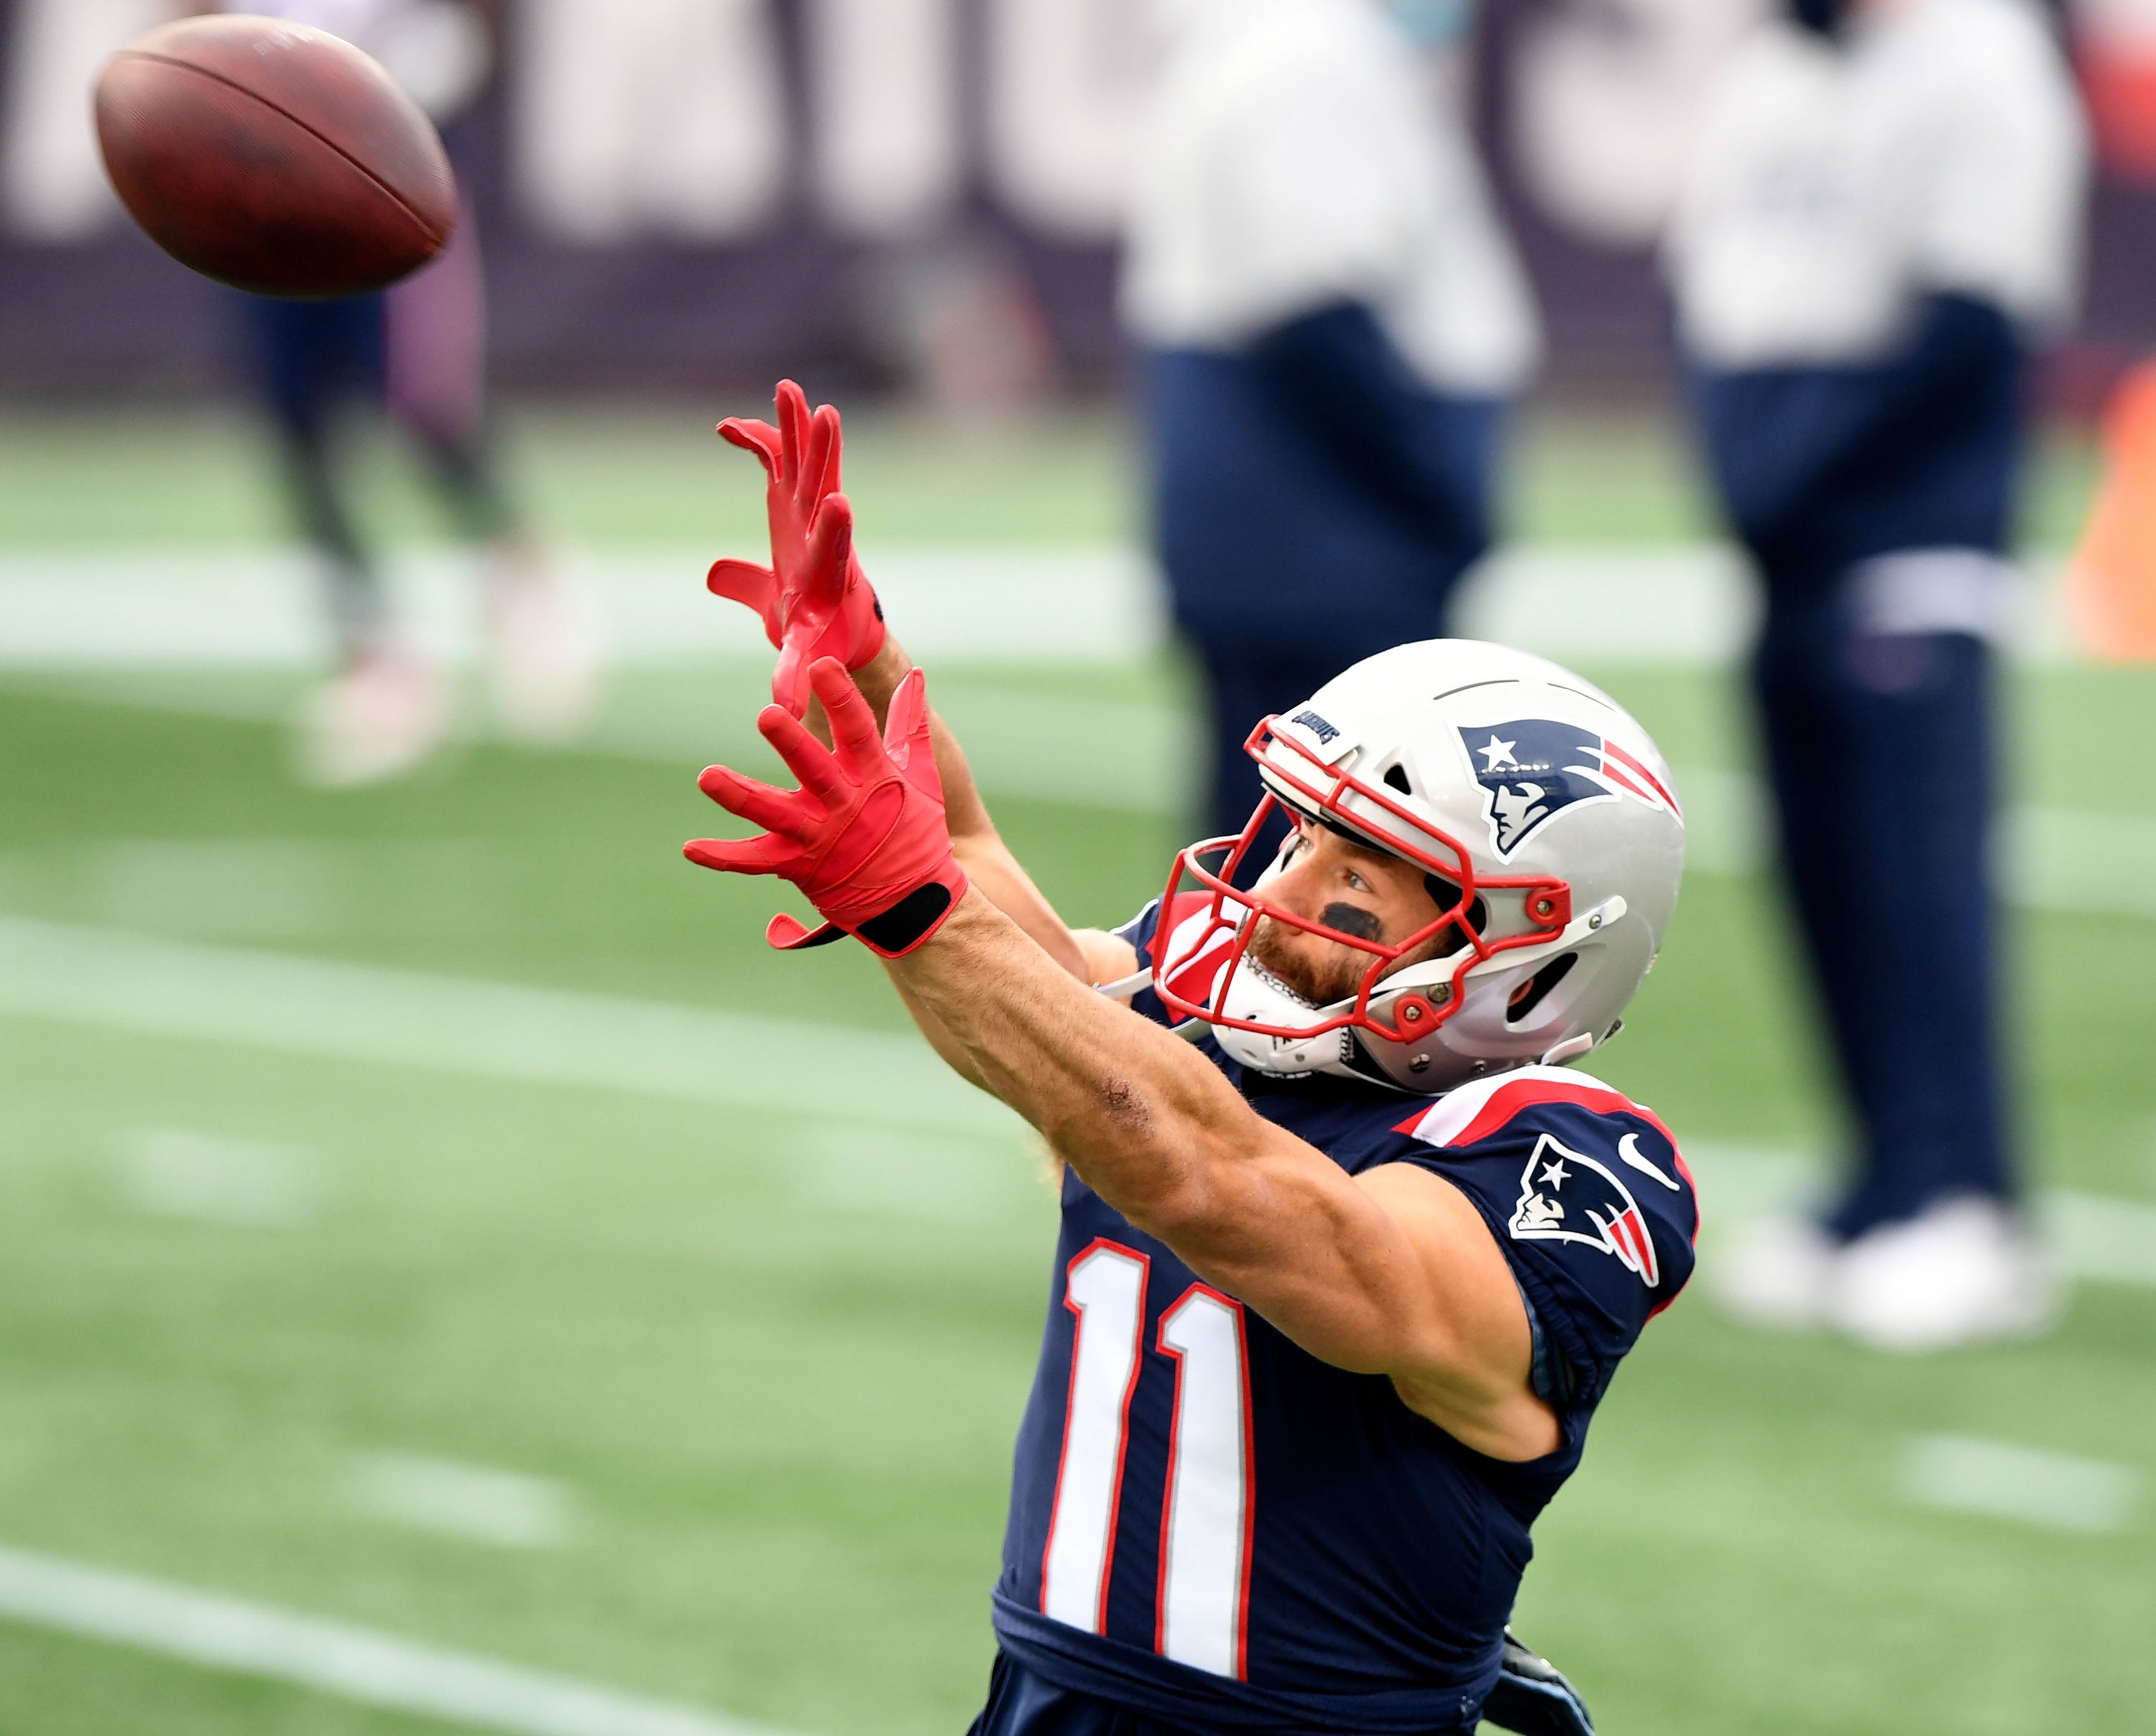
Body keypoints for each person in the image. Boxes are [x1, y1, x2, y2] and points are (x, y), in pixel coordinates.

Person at [691, 384, 1691, 1736]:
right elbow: (1019, 962)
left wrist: (914, 907)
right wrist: (860, 672)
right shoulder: (1219, 1021)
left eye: (1367, 876)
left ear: (1535, 946)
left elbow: (1246, 1202)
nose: (1285, 888)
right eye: (1297, 835)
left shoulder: (1559, 1155)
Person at [1662, 0, 2086, 1349]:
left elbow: (1972, 321)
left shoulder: (1981, 58)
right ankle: (1879, 1175)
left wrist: (1803, 470)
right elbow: (1720, 275)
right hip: (1781, 533)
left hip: (1904, 532)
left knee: (1916, 877)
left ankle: (1968, 1196)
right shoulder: (1775, 70)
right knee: (1821, 869)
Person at [1123, 0, 1540, 884]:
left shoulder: (1262, 46)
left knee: (1271, 865)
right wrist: (1438, 483)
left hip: (1290, 532)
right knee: (1317, 882)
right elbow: (1312, 303)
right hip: (1322, 541)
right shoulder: (1306, 53)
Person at [211, 0, 596, 785]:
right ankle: (375, 654)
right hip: (260, 158)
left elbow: (480, 24)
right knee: (294, 423)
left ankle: (520, 575)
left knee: (426, 395)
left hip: (384, 150)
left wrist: (427, 60)